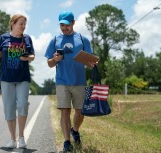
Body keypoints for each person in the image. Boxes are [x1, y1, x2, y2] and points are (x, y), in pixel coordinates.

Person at [45, 10, 95, 152]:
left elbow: (89, 60)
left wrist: (91, 64)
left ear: (73, 23)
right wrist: (55, 59)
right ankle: (67, 142)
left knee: (80, 113)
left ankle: (75, 130)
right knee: (65, 111)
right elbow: (49, 64)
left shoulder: (82, 39)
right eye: (62, 25)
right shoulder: (54, 40)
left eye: (67, 25)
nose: (64, 28)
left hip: (79, 81)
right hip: (62, 82)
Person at [0, 14, 35, 149]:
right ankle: (12, 139)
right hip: (7, 79)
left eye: (24, 24)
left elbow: (32, 55)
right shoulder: (4, 38)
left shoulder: (27, 39)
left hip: (22, 78)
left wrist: (28, 58)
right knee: (9, 108)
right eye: (21, 24)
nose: (23, 27)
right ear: (13, 24)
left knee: (23, 104)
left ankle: (21, 137)